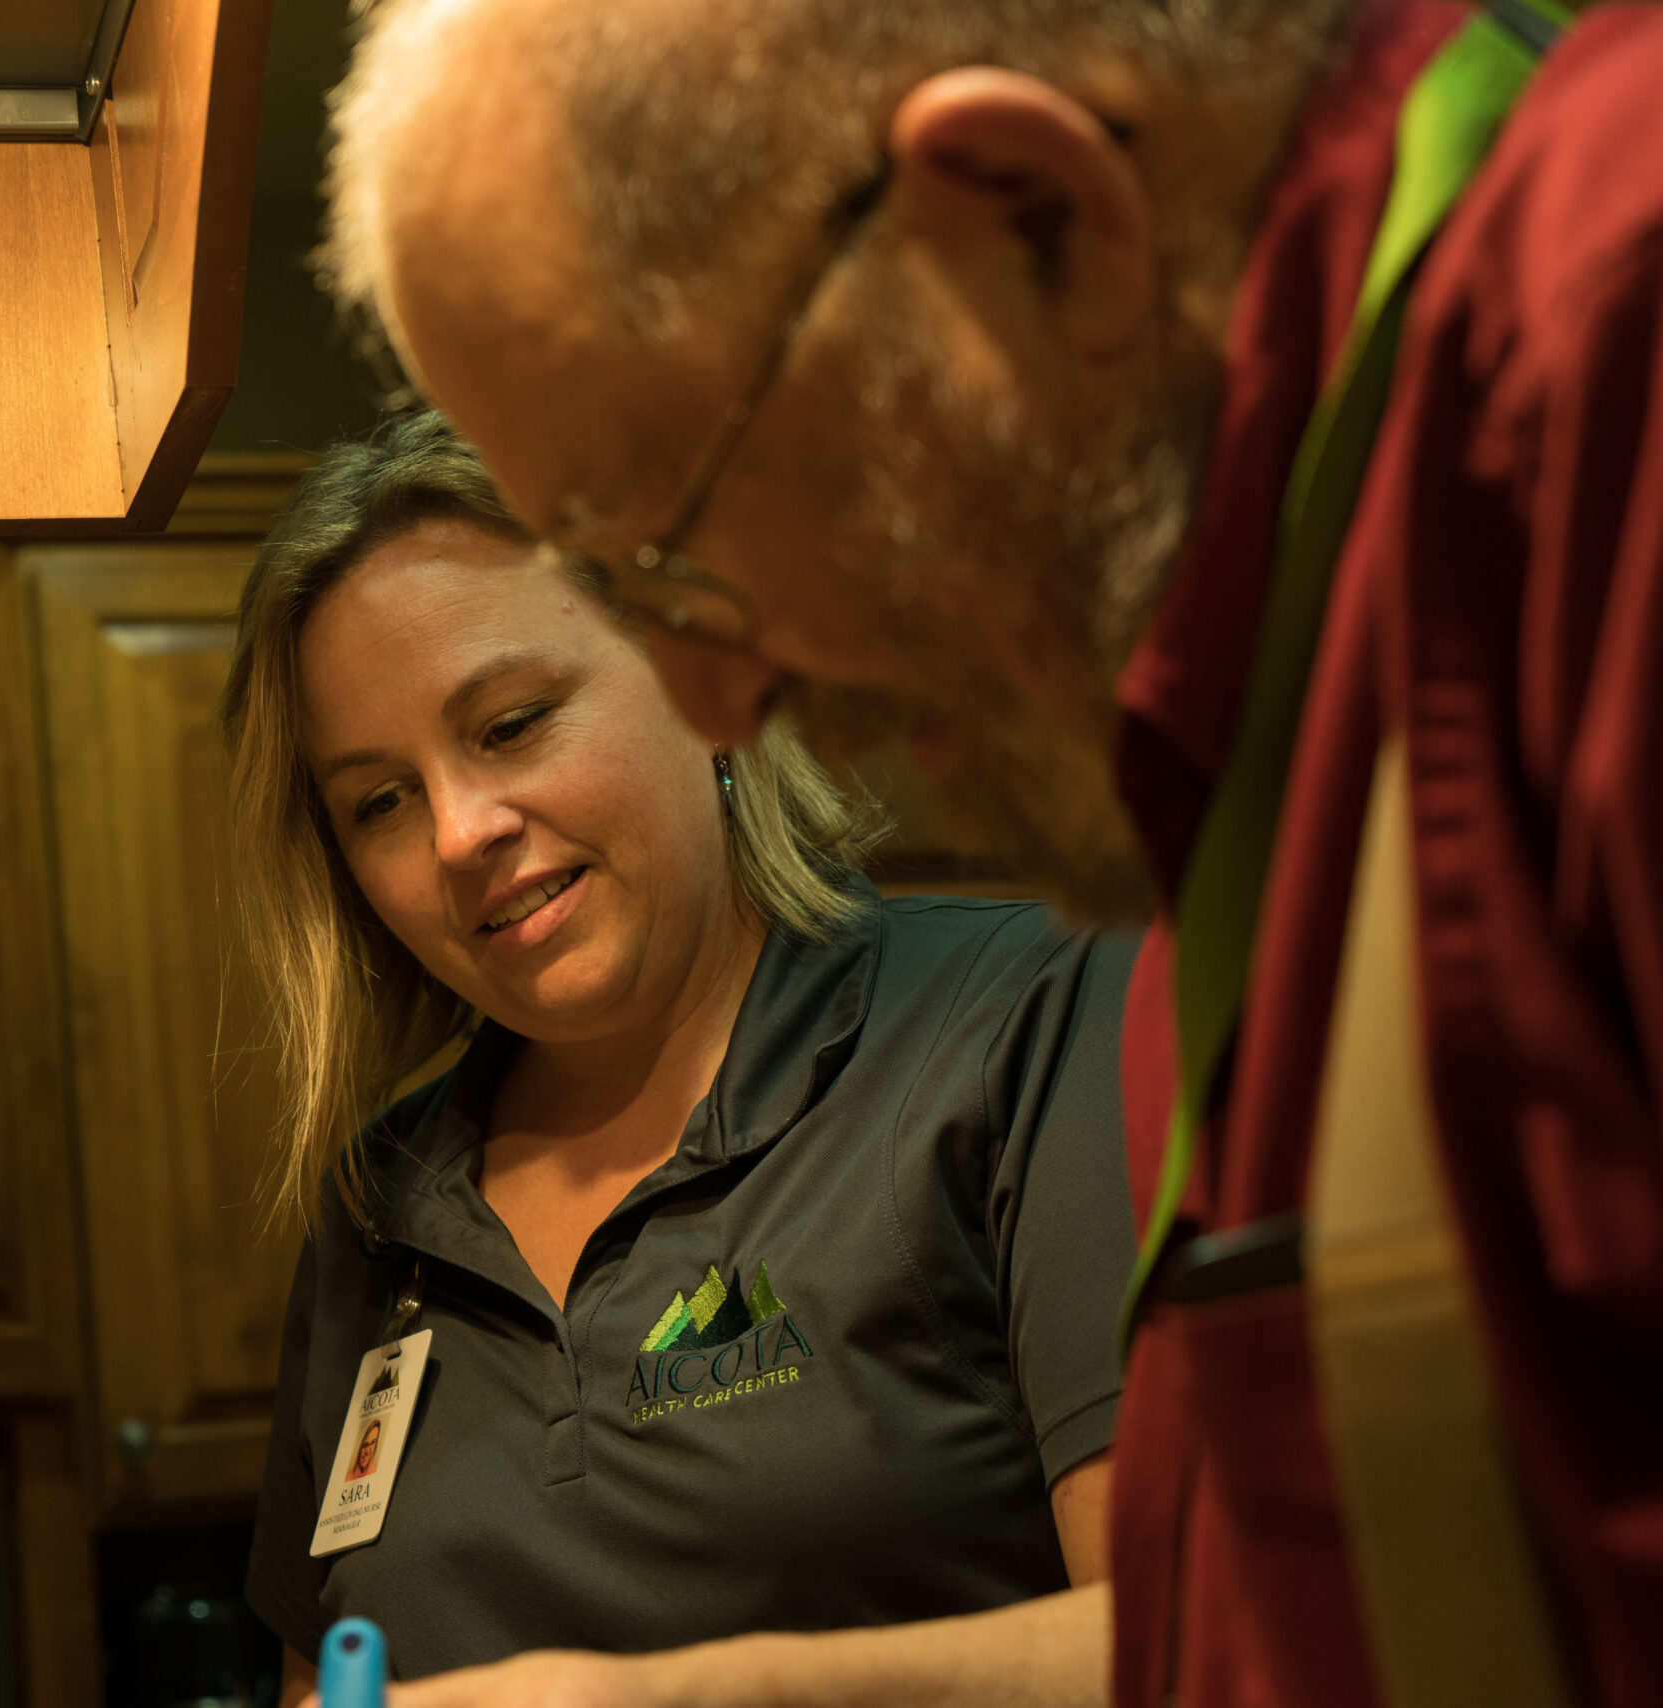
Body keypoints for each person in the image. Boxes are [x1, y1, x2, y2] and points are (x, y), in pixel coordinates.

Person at [315, 2, 1663, 1707]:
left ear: (1031, 217)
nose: (718, 700)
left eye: (675, 537)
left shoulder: (1615, 343)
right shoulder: (1221, 816)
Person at [226, 411, 1139, 1704]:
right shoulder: (380, 1213)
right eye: (379, 800)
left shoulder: (1026, 1021)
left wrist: (662, 1700)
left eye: (511, 723)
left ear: (697, 683)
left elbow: (1188, 1636)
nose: (457, 832)